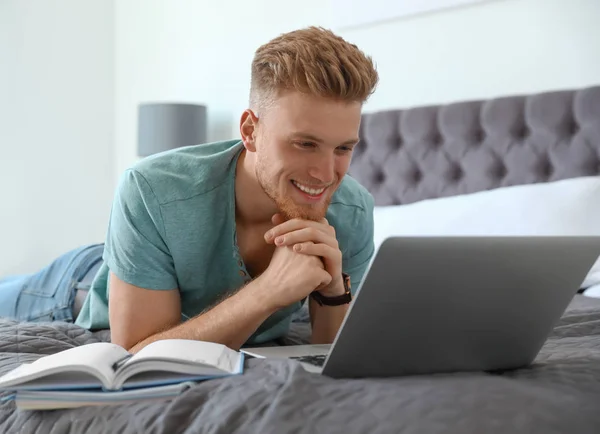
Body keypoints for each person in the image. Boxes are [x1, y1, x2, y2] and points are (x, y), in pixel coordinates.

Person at [0, 26, 379, 353]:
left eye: (344, 148)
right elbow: (135, 352)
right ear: (250, 132)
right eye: (305, 144)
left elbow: (327, 356)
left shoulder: (353, 210)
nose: (326, 173)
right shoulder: (151, 189)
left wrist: (333, 290)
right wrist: (266, 292)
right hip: (76, 286)